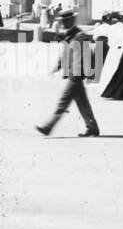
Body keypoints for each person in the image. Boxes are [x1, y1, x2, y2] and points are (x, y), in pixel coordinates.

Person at [35, 10, 100, 138]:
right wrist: (57, 67)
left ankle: (48, 127)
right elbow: (65, 53)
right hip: (73, 73)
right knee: (82, 103)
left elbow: (89, 55)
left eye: (65, 21)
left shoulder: (80, 36)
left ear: (71, 20)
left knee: (63, 102)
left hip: (76, 74)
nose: (62, 23)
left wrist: (90, 73)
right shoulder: (70, 35)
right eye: (61, 21)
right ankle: (92, 127)